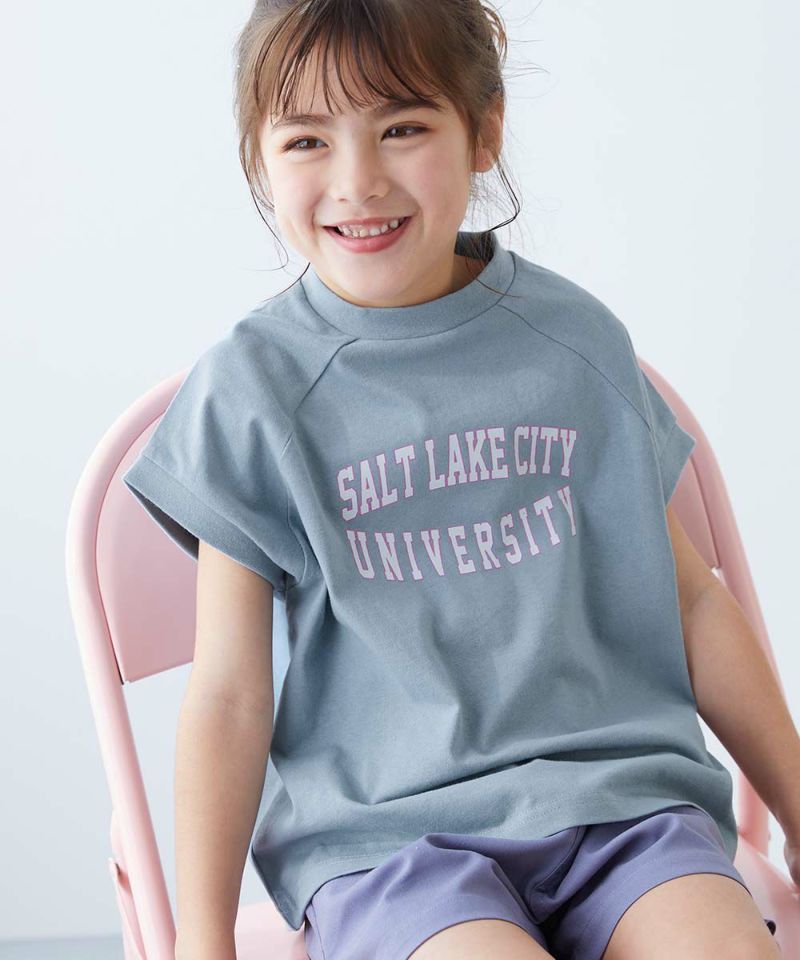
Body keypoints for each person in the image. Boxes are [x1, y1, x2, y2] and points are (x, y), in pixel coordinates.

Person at [122, 1, 791, 958]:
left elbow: (691, 604)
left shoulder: (574, 344)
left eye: (401, 128)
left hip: (627, 814)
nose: (358, 181)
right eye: (307, 140)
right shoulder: (252, 394)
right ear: (259, 162)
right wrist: (202, 939)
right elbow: (229, 694)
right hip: (389, 849)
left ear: (484, 130)